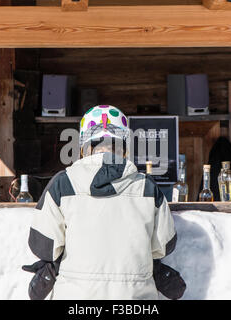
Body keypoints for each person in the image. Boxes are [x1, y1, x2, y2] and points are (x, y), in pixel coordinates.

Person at [25, 105, 184, 300]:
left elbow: (43, 245)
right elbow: (164, 245)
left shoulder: (63, 183)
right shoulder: (147, 187)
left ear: (84, 147)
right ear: (124, 148)